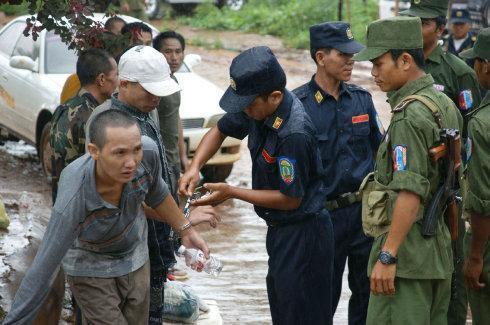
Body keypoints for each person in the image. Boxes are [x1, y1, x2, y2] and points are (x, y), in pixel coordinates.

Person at [4, 109, 208, 324]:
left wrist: (185, 229)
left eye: (135, 150)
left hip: (135, 257)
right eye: (120, 153)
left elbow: (158, 193)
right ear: (94, 151)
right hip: (90, 265)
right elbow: (43, 268)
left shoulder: (148, 153)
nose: (131, 162)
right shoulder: (75, 196)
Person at [179, 46, 334, 325]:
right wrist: (194, 167)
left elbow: (291, 199)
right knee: (282, 308)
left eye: (249, 105)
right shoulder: (257, 108)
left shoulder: (293, 133)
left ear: (274, 97)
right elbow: (221, 129)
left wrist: (230, 192)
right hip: (281, 231)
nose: (245, 111)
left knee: (300, 315)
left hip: (304, 234)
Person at [85, 45, 218, 324]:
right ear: (123, 84)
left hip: (153, 245)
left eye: (160, 90)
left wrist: (179, 232)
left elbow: (154, 186)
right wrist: (183, 222)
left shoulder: (145, 111)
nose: (156, 98)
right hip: (126, 252)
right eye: (149, 90)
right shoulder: (111, 126)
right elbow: (128, 200)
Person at [353, 16, 463, 324]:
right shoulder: (442, 103)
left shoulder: (409, 116)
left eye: (378, 63)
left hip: (406, 262)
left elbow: (410, 191)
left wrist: (388, 255)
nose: (373, 73)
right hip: (436, 256)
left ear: (404, 60)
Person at [293, 21, 383, 325]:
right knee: (320, 301)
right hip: (321, 219)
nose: (351, 60)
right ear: (321, 57)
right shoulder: (297, 107)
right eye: (343, 54)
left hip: (363, 218)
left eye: (352, 54)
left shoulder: (361, 99)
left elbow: (380, 153)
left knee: (368, 297)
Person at [401, 2, 482, 323]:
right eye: (412, 22)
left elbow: (471, 130)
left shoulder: (457, 71)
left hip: (448, 185)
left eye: (422, 23)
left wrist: (463, 180)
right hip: (412, 181)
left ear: (439, 28)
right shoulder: (401, 64)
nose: (415, 29)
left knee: (452, 257)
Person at [51, 48, 119, 201]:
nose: (119, 81)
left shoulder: (64, 108)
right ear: (101, 79)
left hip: (61, 201)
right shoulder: (93, 116)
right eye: (116, 75)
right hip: (81, 205)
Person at [459, 27, 490, 325]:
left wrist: (476, 257)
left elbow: (482, 199)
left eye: (476, 61)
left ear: (485, 65)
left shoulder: (481, 124)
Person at [153, 30, 189, 194]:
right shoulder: (153, 86)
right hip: (158, 163)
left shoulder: (173, 80)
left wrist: (183, 156)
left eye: (178, 51)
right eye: (167, 52)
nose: (174, 57)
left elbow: (176, 118)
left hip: (172, 160)